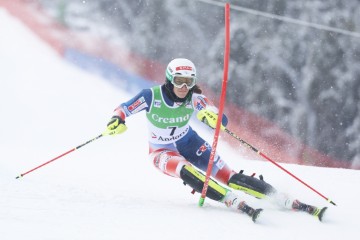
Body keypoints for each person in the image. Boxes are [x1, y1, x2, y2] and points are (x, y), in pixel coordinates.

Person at [104, 58, 327, 222]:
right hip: (161, 151)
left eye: (189, 82)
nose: (184, 87)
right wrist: (117, 120)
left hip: (189, 141)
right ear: (170, 80)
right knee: (184, 169)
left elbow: (220, 119)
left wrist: (212, 117)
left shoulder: (195, 97)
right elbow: (123, 108)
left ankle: (280, 198)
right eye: (179, 81)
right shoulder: (151, 96)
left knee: (227, 175)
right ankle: (230, 200)